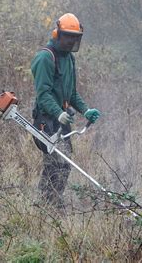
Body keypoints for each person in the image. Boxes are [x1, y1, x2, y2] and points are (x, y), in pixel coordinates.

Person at [31, 13, 101, 209]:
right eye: (68, 37)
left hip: (61, 120)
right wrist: (57, 112)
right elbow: (43, 94)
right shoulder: (46, 57)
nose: (71, 41)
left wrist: (85, 111)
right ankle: (49, 204)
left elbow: (71, 93)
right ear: (58, 34)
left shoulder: (69, 58)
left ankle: (48, 203)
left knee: (63, 163)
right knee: (56, 163)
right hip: (46, 120)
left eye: (74, 37)